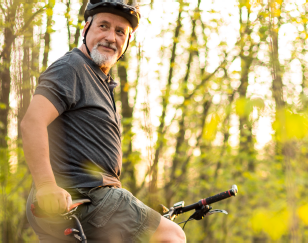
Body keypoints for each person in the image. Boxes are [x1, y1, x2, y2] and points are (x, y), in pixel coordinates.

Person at [20, 0, 186, 242]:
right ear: (86, 28)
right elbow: (32, 122)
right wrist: (46, 185)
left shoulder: (98, 80)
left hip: (77, 202)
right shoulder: (72, 67)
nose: (111, 37)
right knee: (171, 235)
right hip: (86, 194)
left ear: (128, 41)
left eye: (120, 32)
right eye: (103, 26)